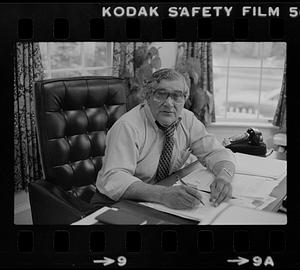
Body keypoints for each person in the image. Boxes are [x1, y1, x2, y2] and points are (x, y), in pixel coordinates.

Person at [91, 68, 236, 210]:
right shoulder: (128, 127)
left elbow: (216, 152)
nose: (169, 103)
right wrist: (163, 194)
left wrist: (224, 177)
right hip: (114, 204)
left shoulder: (187, 119)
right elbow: (115, 178)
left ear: (185, 99)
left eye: (177, 96)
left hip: (156, 199)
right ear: (147, 96)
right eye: (161, 94)